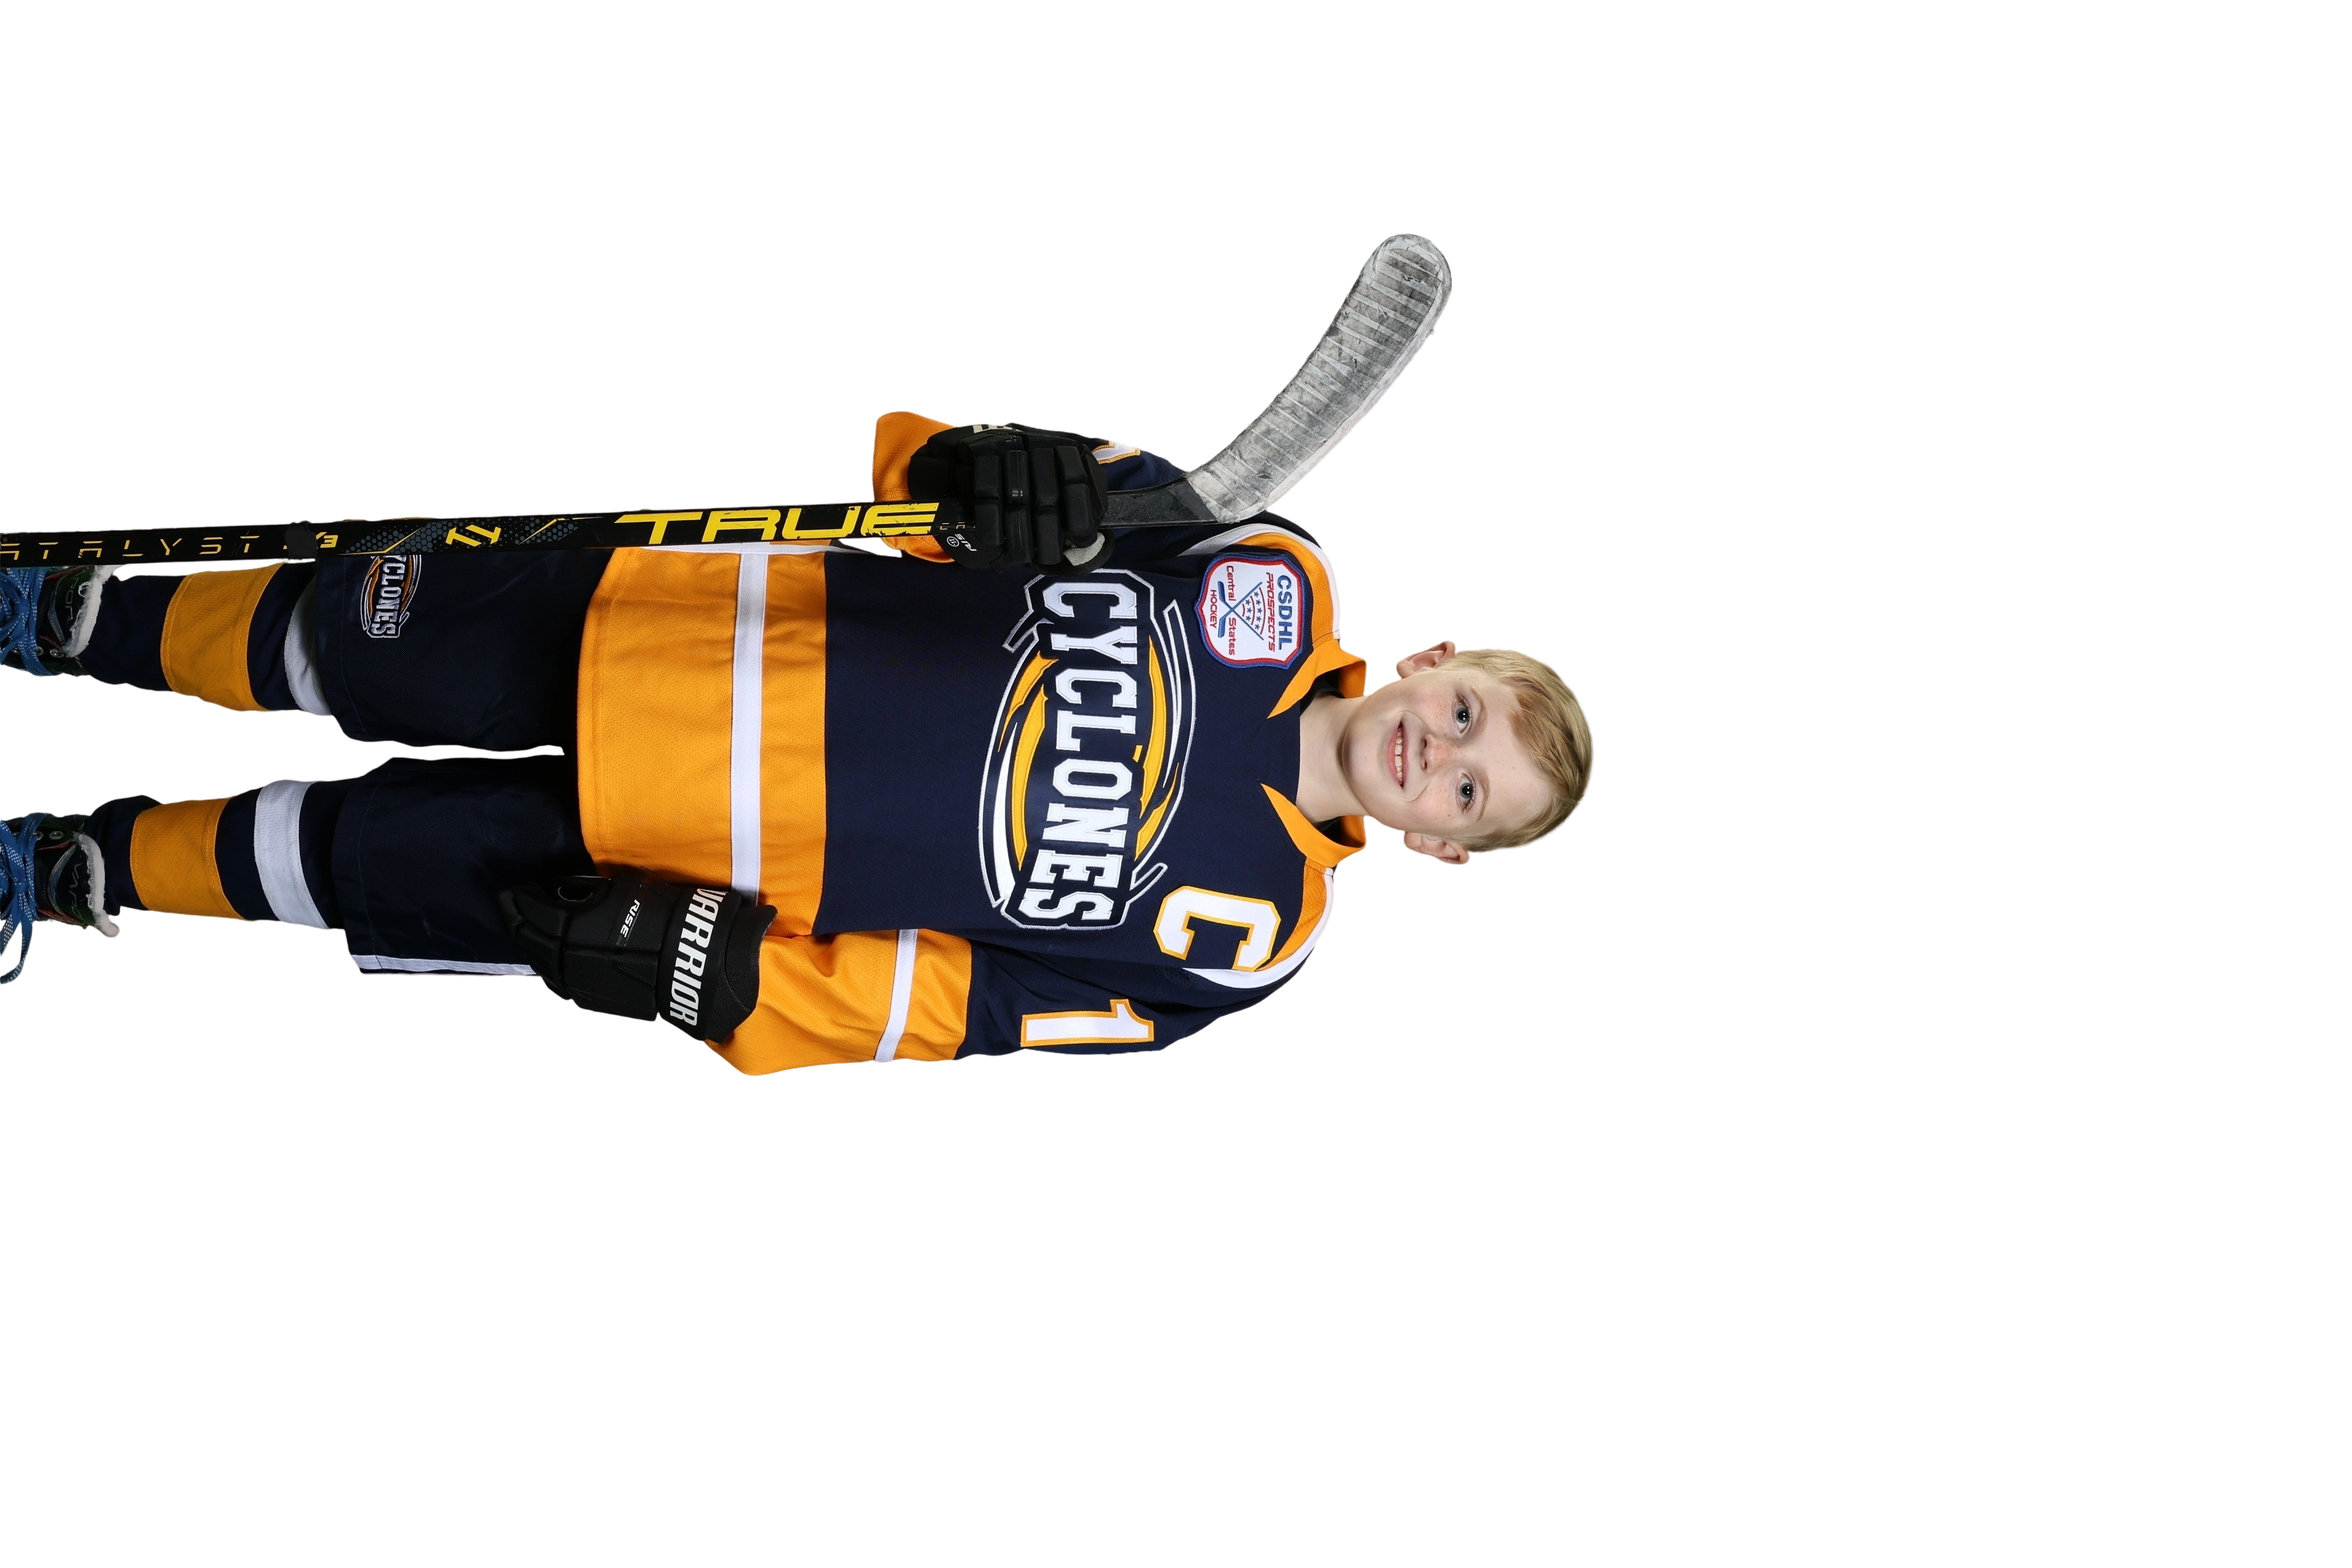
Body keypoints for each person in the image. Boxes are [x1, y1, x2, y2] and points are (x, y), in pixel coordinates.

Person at [0, 415, 1596, 1073]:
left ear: (1438, 846)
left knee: (341, 859)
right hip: (671, 630)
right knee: (327, 633)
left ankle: (71, 866)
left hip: (680, 862)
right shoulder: (1266, 569)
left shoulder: (1247, 943)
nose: (1435, 753)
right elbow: (959, 484)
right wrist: (982, 461)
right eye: (1464, 712)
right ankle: (65, 619)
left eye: (1471, 789)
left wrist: (732, 988)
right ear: (1432, 662)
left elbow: (951, 1006)